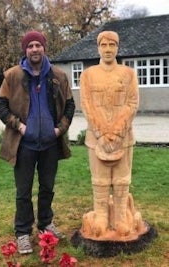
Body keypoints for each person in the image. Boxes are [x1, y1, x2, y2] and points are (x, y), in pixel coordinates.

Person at [0, 30, 75, 254]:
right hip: (24, 146)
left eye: (38, 45)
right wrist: (18, 125)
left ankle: (45, 224)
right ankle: (22, 232)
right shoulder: (12, 76)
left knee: (48, 188)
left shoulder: (58, 75)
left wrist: (60, 129)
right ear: (25, 50)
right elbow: (0, 105)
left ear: (44, 48)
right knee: (23, 191)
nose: (34, 49)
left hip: (50, 144)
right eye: (30, 46)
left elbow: (70, 105)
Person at [80, 31, 139, 238]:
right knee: (100, 179)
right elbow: (86, 104)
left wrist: (117, 131)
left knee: (122, 179)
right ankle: (102, 215)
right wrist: (101, 133)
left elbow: (132, 103)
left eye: (112, 45)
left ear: (117, 48)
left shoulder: (128, 74)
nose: (107, 49)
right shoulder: (88, 74)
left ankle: (121, 216)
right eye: (103, 45)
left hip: (123, 137)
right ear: (98, 47)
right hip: (96, 138)